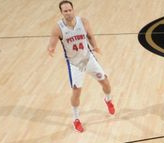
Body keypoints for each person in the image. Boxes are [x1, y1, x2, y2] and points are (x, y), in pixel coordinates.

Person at [46, 0, 114, 133]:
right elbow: (52, 43)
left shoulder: (83, 22)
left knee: (105, 82)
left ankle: (108, 100)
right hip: (74, 64)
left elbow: (90, 36)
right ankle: (76, 119)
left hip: (88, 59)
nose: (68, 12)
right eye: (65, 11)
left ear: (73, 9)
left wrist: (95, 47)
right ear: (61, 13)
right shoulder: (58, 28)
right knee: (77, 92)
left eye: (70, 10)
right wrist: (51, 49)